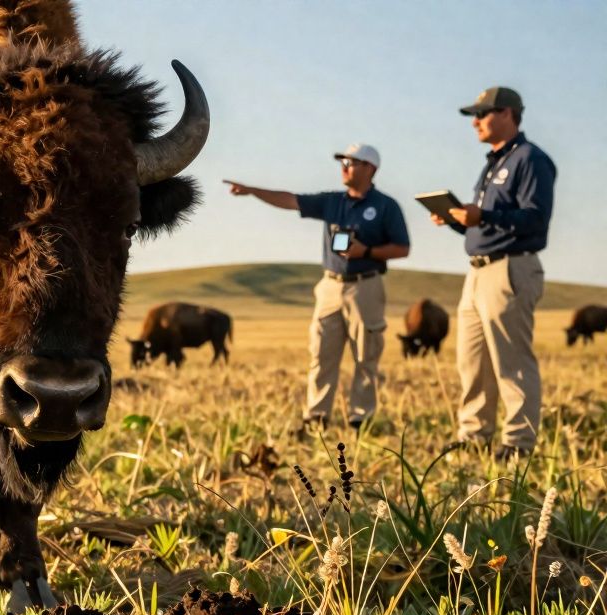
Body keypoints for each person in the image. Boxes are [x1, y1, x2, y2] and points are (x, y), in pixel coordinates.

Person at [226, 144, 410, 432]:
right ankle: (316, 417)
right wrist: (252, 190)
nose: (344, 167)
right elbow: (290, 200)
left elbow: (402, 248)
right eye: (343, 162)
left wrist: (367, 251)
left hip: (366, 286)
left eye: (352, 162)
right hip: (330, 286)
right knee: (321, 354)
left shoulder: (386, 206)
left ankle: (360, 419)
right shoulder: (331, 202)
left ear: (370, 168)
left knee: (366, 355)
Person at [430, 87, 556, 460]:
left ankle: (518, 444)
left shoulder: (531, 160)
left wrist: (481, 216)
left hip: (510, 269)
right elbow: (486, 226)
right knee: (472, 361)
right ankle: (474, 436)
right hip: (477, 271)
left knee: (511, 359)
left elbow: (535, 218)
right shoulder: (494, 164)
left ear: (507, 114)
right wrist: (458, 221)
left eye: (482, 113)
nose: (475, 122)